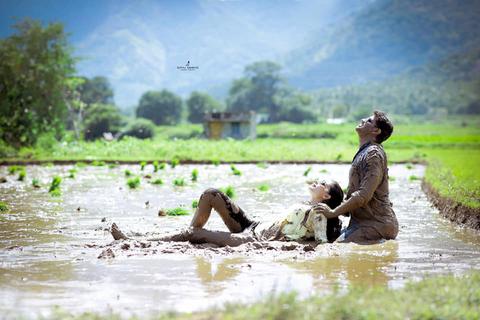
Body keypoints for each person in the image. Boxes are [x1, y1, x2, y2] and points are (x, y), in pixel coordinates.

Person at [131, 180, 344, 247]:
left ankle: (143, 240)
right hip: (251, 225)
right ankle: (189, 232)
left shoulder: (319, 213)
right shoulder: (306, 203)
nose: (317, 181)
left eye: (323, 183)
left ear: (326, 196)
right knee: (211, 194)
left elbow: (322, 243)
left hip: (251, 239)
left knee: (195, 234)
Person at [314, 110, 398, 244]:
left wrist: (333, 212)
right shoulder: (364, 151)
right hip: (361, 223)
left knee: (335, 249)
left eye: (369, 121)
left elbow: (363, 196)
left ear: (376, 131)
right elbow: (354, 200)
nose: (363, 119)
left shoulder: (373, 154)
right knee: (329, 241)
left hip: (376, 224)